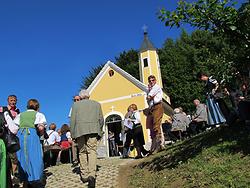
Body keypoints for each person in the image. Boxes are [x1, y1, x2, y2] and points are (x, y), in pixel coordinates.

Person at [70, 89, 104, 188]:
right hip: (93, 130)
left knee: (82, 152)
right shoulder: (97, 104)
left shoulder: (75, 105)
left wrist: (73, 134)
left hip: (80, 131)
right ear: (89, 96)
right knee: (92, 151)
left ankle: (84, 175)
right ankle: (92, 175)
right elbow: (101, 119)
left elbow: (72, 121)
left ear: (80, 97)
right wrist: (99, 130)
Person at [14, 99, 47, 188]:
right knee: (35, 157)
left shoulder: (20, 115)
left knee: (22, 157)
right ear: (37, 106)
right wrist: (41, 133)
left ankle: (25, 179)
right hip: (32, 135)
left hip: (20, 135)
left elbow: (14, 128)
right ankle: (35, 179)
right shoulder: (39, 114)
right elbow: (40, 128)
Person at [0, 95, 20, 187]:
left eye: (14, 100)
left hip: (14, 137)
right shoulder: (3, 109)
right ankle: (9, 176)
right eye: (11, 100)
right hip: (5, 136)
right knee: (7, 158)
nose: (13, 102)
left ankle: (13, 174)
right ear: (8, 101)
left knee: (15, 158)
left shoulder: (18, 111)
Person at [146, 75, 164, 153]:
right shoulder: (150, 89)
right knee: (151, 127)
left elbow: (149, 97)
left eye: (153, 80)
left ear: (155, 81)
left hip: (157, 106)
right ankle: (153, 147)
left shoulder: (156, 87)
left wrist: (150, 96)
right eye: (150, 81)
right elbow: (148, 99)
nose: (151, 82)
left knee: (156, 125)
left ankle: (159, 145)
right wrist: (150, 96)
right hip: (152, 108)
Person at [68, 95, 81, 167]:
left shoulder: (83, 107)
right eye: (75, 100)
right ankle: (75, 160)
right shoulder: (72, 108)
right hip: (75, 128)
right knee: (74, 145)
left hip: (82, 128)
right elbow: (71, 119)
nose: (76, 101)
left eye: (77, 100)